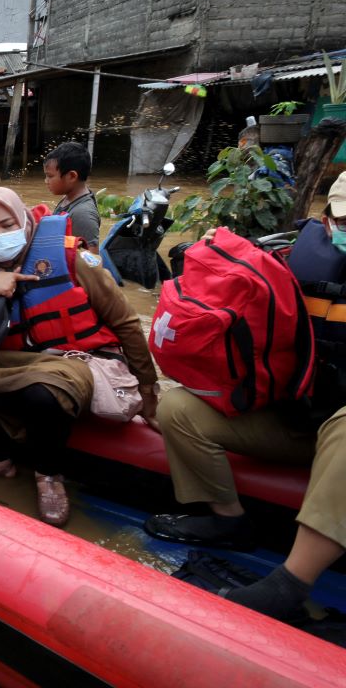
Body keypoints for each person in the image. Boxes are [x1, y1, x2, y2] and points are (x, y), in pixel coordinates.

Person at [144, 177, 346, 618]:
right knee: (178, 408)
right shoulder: (294, 260)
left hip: (340, 435)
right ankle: (228, 519)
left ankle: (291, 585)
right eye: (343, 220)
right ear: (326, 220)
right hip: (296, 423)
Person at [0, 187, 158, 525]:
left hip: (79, 360)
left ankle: (48, 475)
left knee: (44, 392)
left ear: (23, 221)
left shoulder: (71, 257)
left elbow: (126, 323)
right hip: (19, 363)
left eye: (6, 224)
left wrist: (148, 389)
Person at [44, 141, 100, 245]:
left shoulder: (83, 214)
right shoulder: (69, 197)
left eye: (50, 176)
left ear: (72, 176)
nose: (46, 181)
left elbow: (91, 258)